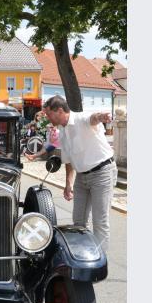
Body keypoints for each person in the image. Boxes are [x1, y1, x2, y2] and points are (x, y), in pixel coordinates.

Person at [42, 95, 117, 253]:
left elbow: (93, 118)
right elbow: (69, 160)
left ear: (60, 111)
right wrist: (68, 184)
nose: (47, 117)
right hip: (81, 177)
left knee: (100, 221)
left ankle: (100, 260)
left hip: (102, 173)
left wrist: (101, 117)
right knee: (78, 221)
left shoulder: (81, 118)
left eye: (49, 114)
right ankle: (83, 256)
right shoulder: (62, 131)